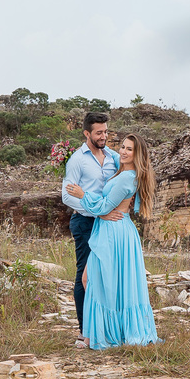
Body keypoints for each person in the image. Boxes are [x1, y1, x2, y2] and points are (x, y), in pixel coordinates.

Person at [65, 133, 159, 350]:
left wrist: (82, 194)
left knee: (93, 280)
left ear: (138, 155)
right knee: (100, 281)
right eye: (123, 147)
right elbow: (111, 156)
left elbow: (106, 207)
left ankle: (98, 336)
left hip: (114, 232)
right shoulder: (123, 169)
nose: (124, 152)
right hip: (112, 229)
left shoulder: (127, 178)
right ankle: (95, 334)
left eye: (129, 149)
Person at [61, 112, 124, 345]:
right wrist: (97, 210)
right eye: (99, 132)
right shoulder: (77, 160)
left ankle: (106, 327)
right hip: (85, 221)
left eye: (106, 131)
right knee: (84, 276)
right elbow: (67, 196)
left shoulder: (112, 156)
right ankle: (84, 330)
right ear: (87, 133)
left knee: (106, 274)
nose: (104, 136)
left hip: (107, 223)